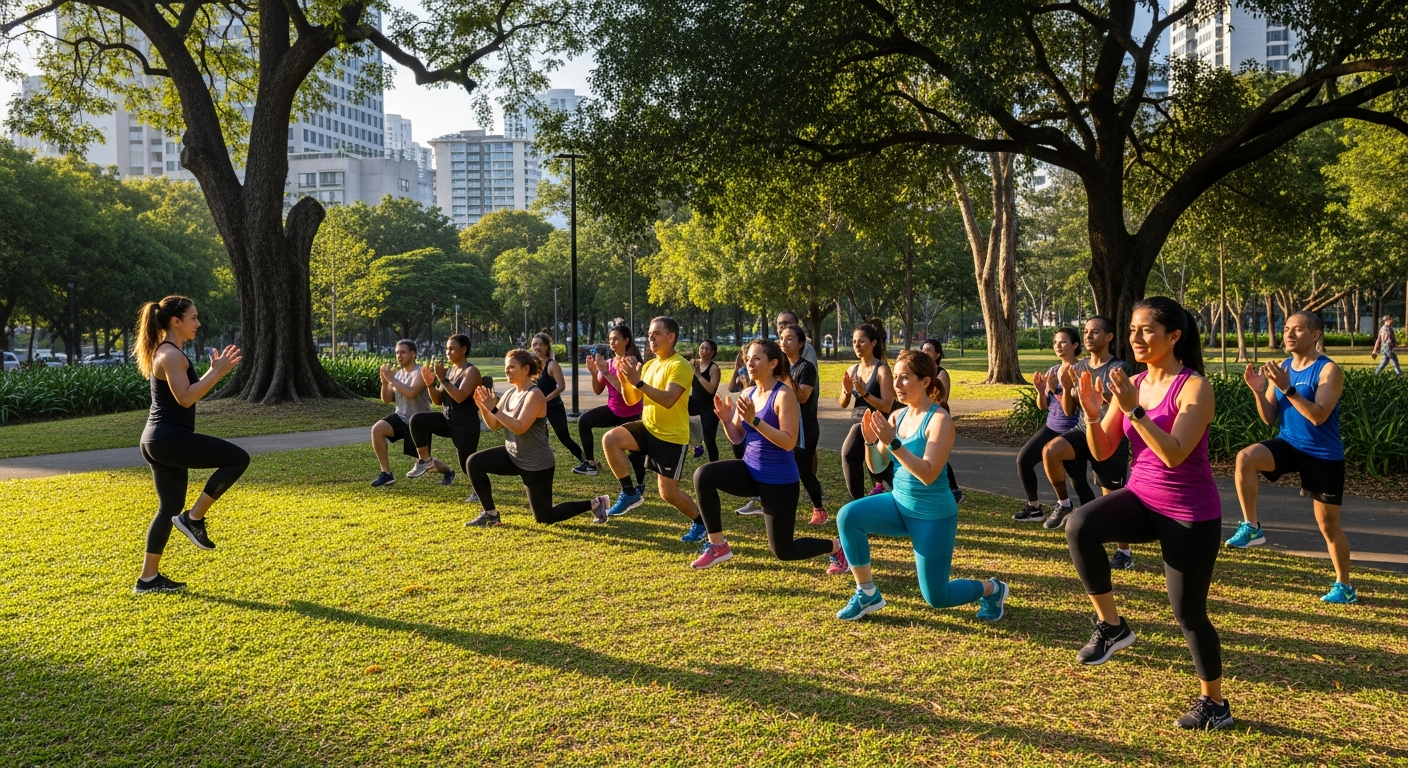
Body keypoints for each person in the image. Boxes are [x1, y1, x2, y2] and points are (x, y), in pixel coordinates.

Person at [1068, 297, 1230, 730]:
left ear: (1174, 336)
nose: (1136, 338)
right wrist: (1092, 413)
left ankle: (1215, 704)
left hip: (1188, 512)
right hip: (1141, 498)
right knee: (1079, 523)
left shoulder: (1193, 387)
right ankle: (1112, 626)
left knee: (1189, 613)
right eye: (1133, 330)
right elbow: (1102, 451)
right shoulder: (1132, 383)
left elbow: (1175, 454)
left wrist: (1134, 409)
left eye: (1147, 330)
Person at [833, 350, 1009, 622]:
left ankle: (993, 589)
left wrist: (893, 442)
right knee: (848, 515)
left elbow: (928, 474)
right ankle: (867, 592)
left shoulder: (940, 420)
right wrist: (870, 441)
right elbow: (878, 467)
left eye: (904, 378)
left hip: (932, 515)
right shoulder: (896, 417)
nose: (897, 385)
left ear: (925, 382)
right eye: (895, 378)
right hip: (898, 503)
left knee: (938, 598)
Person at [1226, 312, 1357, 604]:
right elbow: (1270, 418)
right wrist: (1260, 392)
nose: (1289, 334)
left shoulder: (1328, 371)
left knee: (1328, 526)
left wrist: (1287, 388)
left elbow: (1319, 416)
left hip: (1323, 455)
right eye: (1286, 329)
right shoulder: (1284, 367)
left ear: (1315, 335)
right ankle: (1251, 526)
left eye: (1298, 329)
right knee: (1246, 457)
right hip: (1289, 444)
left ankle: (1345, 587)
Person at [690, 340, 848, 570]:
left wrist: (755, 420)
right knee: (704, 475)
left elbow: (788, 441)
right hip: (750, 471)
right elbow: (737, 437)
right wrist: (726, 419)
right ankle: (718, 546)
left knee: (784, 550)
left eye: (756, 359)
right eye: (748, 359)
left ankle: (836, 546)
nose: (750, 364)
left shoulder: (784, 395)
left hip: (779, 480)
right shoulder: (748, 393)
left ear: (773, 363)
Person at [133, 296, 249, 594]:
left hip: (158, 439)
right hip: (168, 439)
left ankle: (148, 579)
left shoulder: (169, 352)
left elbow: (185, 395)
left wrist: (214, 373)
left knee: (167, 507)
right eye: (193, 318)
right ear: (176, 321)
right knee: (237, 459)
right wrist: (217, 372)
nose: (198, 323)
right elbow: (185, 397)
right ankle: (193, 518)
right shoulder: (170, 355)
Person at [464, 350, 610, 527]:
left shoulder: (535, 394)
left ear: (525, 369)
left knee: (545, 517)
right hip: (513, 455)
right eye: (506, 368)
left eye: (512, 367)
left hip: (536, 463)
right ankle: (491, 514)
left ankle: (596, 503)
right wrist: (483, 407)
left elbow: (520, 427)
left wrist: (493, 408)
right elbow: (494, 425)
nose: (507, 371)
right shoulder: (510, 394)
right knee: (474, 462)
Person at [600, 317, 710, 542]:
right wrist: (625, 380)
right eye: (650, 334)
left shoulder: (681, 365)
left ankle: (701, 522)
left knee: (668, 493)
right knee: (610, 439)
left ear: (671, 337)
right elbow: (632, 400)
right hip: (648, 427)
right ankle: (630, 492)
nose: (651, 337)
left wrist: (638, 382)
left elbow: (669, 399)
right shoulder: (649, 365)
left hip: (671, 436)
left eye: (657, 334)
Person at [1039, 319, 1137, 569]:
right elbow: (1070, 409)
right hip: (1083, 429)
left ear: (1109, 337)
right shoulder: (1079, 366)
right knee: (1050, 451)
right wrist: (1066, 387)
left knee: (1112, 499)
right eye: (1086, 332)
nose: (1089, 336)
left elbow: (1121, 405)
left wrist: (1097, 396)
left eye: (1095, 332)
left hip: (1110, 434)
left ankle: (1124, 553)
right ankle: (1064, 503)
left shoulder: (1119, 367)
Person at [1013, 328, 1082, 521]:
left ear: (1075, 345)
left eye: (1063, 342)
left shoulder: (1080, 371)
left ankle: (1087, 517)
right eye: (1055, 342)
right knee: (1023, 460)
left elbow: (1074, 408)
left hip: (1073, 432)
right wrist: (1041, 390)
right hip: (1051, 427)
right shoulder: (1053, 371)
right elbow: (1043, 406)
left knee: (1078, 481)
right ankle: (1034, 507)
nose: (1058, 346)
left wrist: (1055, 389)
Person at [571, 325, 647, 494]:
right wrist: (594, 373)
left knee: (634, 453)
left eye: (616, 339)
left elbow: (624, 390)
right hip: (613, 410)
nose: (612, 342)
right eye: (610, 339)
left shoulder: (631, 362)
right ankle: (590, 463)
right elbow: (598, 390)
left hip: (631, 413)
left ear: (626, 341)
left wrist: (604, 372)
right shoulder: (610, 363)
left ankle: (640, 484)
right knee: (585, 421)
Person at [407, 334, 482, 486]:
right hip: (447, 420)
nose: (448, 352)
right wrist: (430, 385)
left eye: (452, 349)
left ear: (464, 349)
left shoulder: (471, 371)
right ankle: (425, 461)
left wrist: (443, 379)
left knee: (467, 465)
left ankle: (478, 490)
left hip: (465, 426)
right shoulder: (449, 371)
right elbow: (438, 400)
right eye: (447, 348)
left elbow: (459, 397)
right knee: (417, 420)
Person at [839, 324, 896, 500]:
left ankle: (888, 497)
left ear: (873, 343)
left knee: (879, 471)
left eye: (861, 341)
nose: (857, 345)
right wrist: (848, 391)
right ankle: (858, 501)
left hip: (877, 426)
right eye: (854, 341)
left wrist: (865, 393)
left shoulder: (882, 370)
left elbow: (887, 406)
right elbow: (843, 403)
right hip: (858, 424)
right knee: (850, 457)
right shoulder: (852, 370)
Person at [782, 325, 827, 525]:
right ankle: (780, 507)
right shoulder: (779, 366)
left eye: (790, 339)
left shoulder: (806, 367)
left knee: (804, 471)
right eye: (782, 338)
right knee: (782, 466)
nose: (784, 342)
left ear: (801, 343)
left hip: (805, 427)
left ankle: (819, 509)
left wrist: (785, 375)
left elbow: (802, 397)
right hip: (785, 425)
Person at [370, 340, 432, 487]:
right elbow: (387, 399)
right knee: (377, 430)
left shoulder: (421, 372)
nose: (399, 356)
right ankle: (386, 474)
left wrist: (391, 379)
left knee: (426, 461)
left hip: (418, 422)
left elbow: (411, 393)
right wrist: (385, 383)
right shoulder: (397, 374)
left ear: (413, 354)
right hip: (401, 416)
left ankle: (447, 470)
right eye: (397, 352)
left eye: (403, 352)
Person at [530, 333, 587, 461]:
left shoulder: (552, 365)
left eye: (539, 344)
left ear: (546, 346)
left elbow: (561, 386)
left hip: (554, 407)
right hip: (537, 408)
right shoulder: (533, 365)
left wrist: (544, 400)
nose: (536, 347)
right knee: (536, 436)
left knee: (564, 437)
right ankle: (537, 462)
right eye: (534, 345)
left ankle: (585, 460)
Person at [920, 339, 963, 504]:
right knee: (926, 453)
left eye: (929, 350)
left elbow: (941, 399)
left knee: (938, 454)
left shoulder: (941, 374)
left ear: (937, 354)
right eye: (923, 349)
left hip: (937, 416)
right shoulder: (920, 373)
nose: (925, 352)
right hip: (923, 415)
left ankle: (954, 489)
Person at [688, 339, 723, 461]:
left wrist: (698, 374)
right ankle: (695, 441)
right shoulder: (693, 364)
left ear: (713, 352)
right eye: (702, 347)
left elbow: (711, 390)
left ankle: (714, 466)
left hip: (708, 406)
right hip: (694, 401)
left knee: (709, 441)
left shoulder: (714, 369)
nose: (703, 350)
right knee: (676, 407)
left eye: (707, 349)